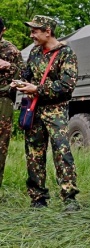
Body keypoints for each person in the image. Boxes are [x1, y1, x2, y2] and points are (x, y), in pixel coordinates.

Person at [10, 15, 80, 210]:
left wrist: (37, 90)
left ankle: (69, 198)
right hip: (34, 109)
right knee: (34, 154)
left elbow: (67, 86)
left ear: (47, 31)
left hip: (56, 111)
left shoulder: (66, 54)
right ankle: (38, 198)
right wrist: (20, 83)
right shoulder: (34, 52)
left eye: (35, 31)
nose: (31, 34)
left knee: (62, 152)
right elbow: (27, 74)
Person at [0, 17, 25, 187]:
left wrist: (9, 66)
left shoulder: (12, 51)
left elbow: (24, 77)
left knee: (0, 145)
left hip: (3, 100)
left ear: (3, 30)